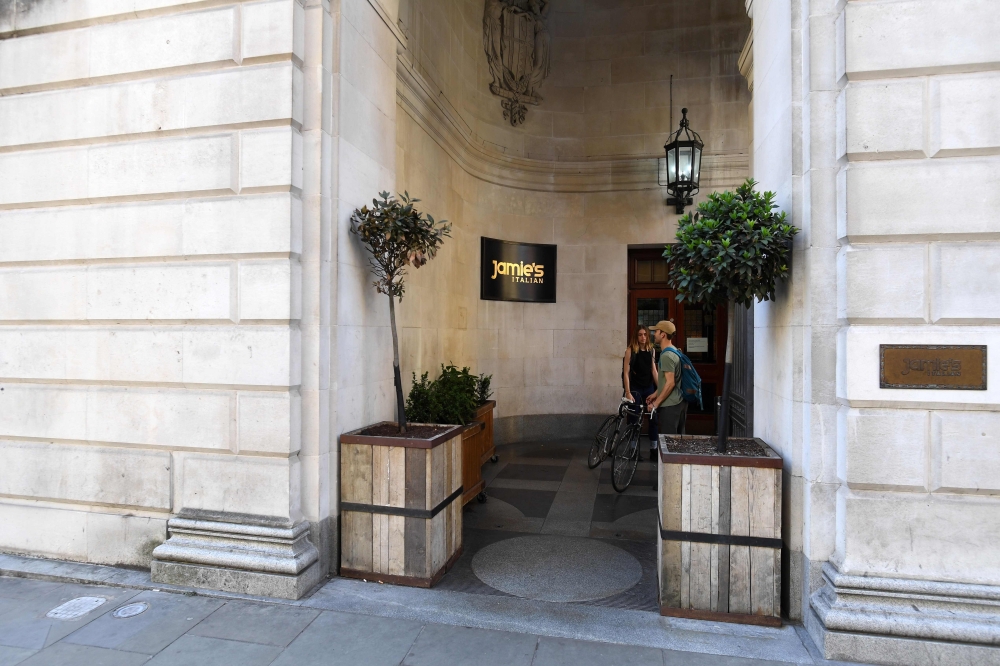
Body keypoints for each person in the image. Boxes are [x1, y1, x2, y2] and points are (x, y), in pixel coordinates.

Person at [646, 320, 688, 458]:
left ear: (663, 334)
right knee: (678, 443)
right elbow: (667, 382)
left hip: (671, 405)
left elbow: (670, 383)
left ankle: (670, 477)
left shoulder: (666, 356)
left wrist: (656, 404)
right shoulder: (675, 351)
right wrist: (655, 393)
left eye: (656, 331)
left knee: (670, 445)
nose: (654, 334)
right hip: (679, 403)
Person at [622, 325, 659, 460]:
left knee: (653, 418)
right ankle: (633, 450)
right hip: (636, 388)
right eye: (640, 335)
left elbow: (654, 371)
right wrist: (627, 391)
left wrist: (659, 390)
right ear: (636, 336)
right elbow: (626, 373)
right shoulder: (630, 351)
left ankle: (653, 449)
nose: (643, 337)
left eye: (645, 334)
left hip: (648, 387)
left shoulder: (651, 350)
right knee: (634, 419)